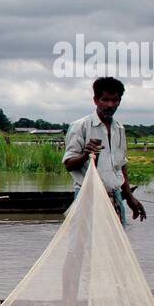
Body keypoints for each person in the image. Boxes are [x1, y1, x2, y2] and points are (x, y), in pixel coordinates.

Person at [62, 76, 146, 224]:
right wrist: (85, 155)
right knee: (88, 245)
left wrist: (130, 198)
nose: (109, 105)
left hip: (115, 196)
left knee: (116, 245)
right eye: (105, 100)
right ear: (95, 100)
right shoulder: (80, 126)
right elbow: (68, 164)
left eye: (114, 100)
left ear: (119, 101)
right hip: (88, 196)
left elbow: (121, 166)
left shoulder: (119, 129)